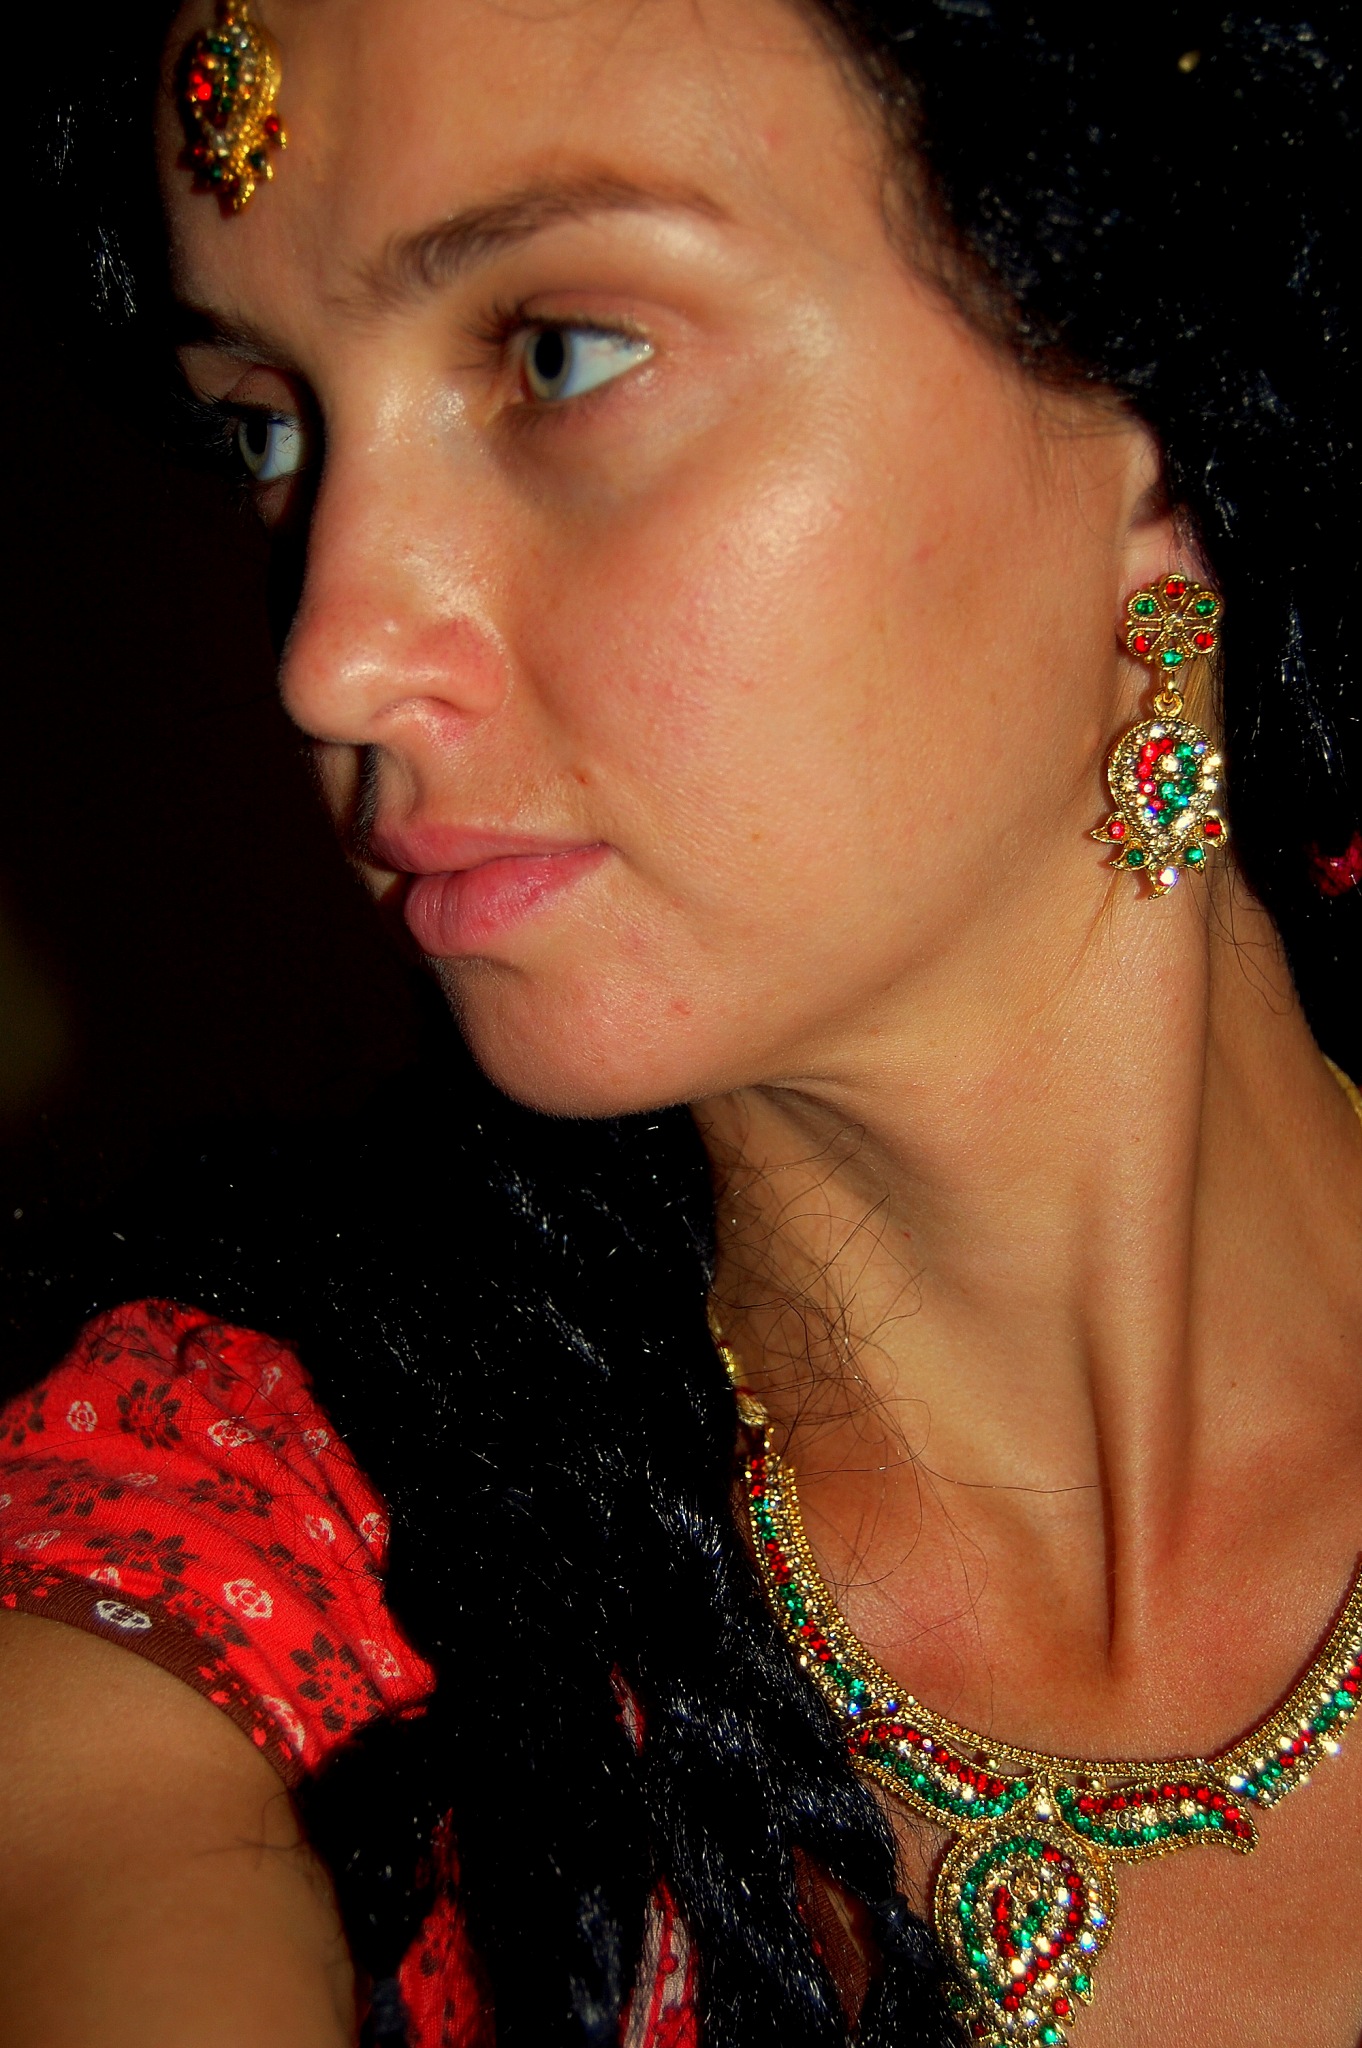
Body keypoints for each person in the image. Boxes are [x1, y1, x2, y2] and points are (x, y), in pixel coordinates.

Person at [1, 2, 1359, 2044]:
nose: (331, 653)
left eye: (559, 355)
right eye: (271, 429)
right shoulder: (269, 1574)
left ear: (1148, 372)